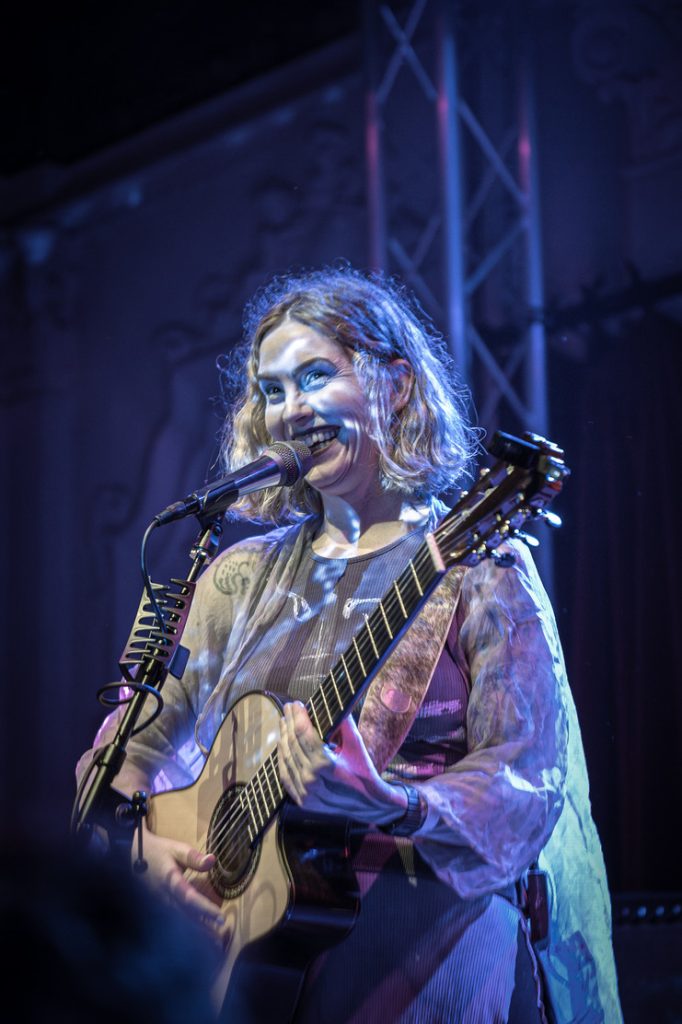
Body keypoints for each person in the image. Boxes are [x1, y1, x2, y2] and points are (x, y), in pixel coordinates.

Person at [75, 265, 622, 1023]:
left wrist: (393, 802)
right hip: (247, 945)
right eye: (271, 391)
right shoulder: (238, 574)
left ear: (395, 384)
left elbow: (526, 781)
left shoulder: (479, 563)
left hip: (424, 936)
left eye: (315, 377)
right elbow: (132, 744)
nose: (290, 410)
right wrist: (145, 852)